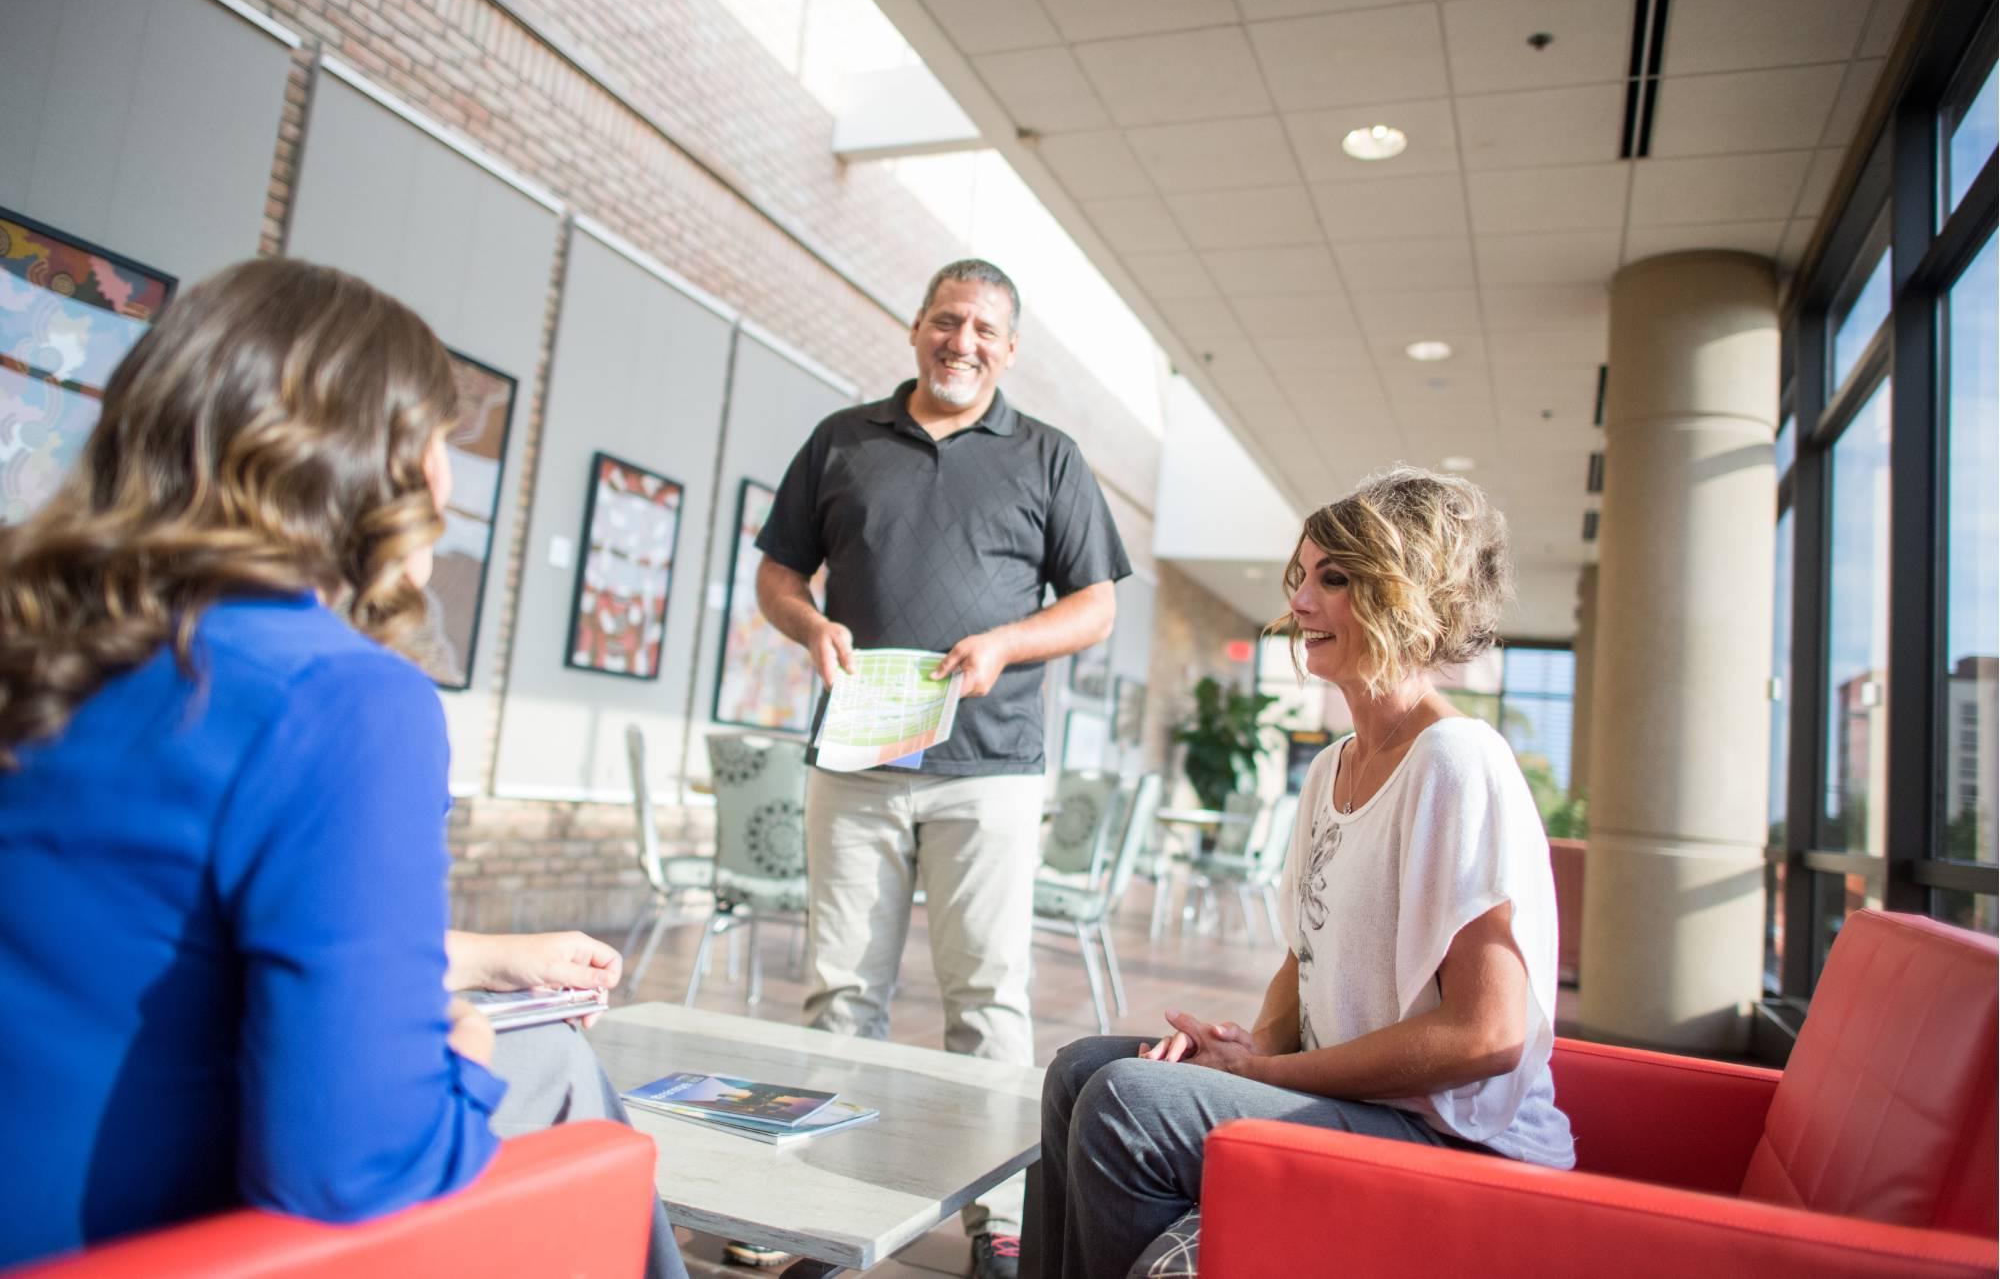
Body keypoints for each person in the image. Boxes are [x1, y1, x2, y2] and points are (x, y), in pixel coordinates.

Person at [0, 257, 684, 1279]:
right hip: (147, 1242)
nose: (448, 486)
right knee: (553, 1069)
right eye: (439, 443)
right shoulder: (341, 698)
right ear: (364, 461)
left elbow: (146, 930)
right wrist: (463, 1057)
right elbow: (349, 1164)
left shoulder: (46, 636)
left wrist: (484, 958)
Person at [1026, 467, 1576, 1279]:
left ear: (1404, 595)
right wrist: (1250, 1045)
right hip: (1359, 1108)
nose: (1301, 604)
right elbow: (1303, 957)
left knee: (1129, 1107)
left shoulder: (1458, 761)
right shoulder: (1329, 770)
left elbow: (1487, 1032)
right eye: (1301, 578)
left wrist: (1270, 1074)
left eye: (1334, 579)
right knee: (1082, 1070)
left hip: (1460, 1143)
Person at [754, 258, 1130, 1278]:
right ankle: (816, 1209)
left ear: (1008, 351)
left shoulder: (1046, 456)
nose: (960, 342)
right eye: (944, 321)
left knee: (988, 999)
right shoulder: (842, 439)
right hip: (858, 755)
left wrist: (1006, 642)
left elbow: (1095, 602)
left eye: (981, 330)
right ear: (914, 328)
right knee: (839, 991)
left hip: (989, 765)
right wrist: (808, 626)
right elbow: (777, 574)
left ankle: (997, 1222)